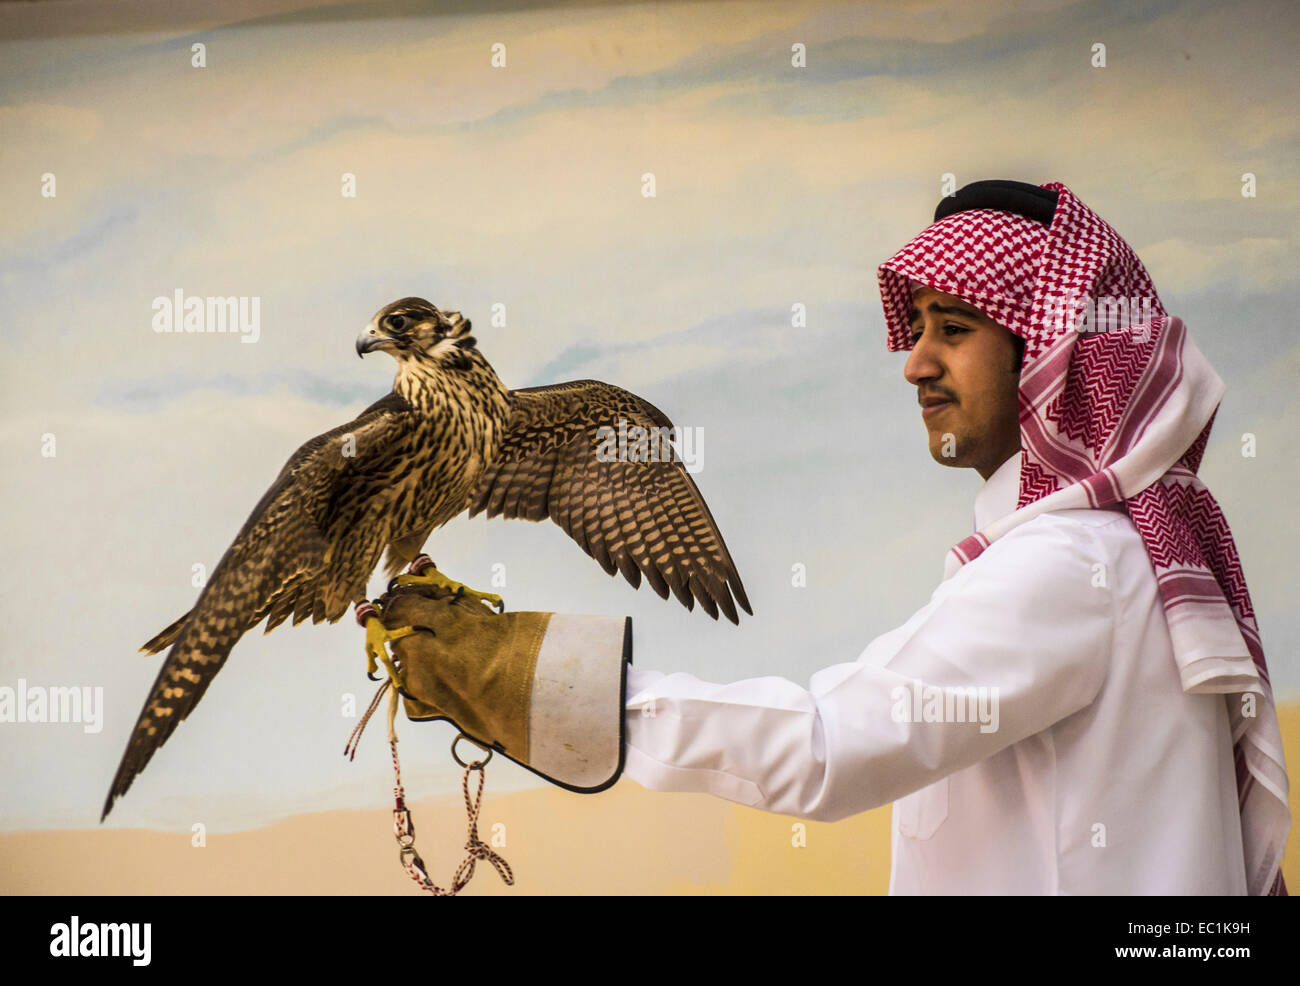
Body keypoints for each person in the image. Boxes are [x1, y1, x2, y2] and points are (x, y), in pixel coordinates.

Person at [379, 179, 1290, 895]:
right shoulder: (1124, 560)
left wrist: (526, 678)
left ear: (1054, 353)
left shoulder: (1074, 567)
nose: (914, 362)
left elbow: (826, 746)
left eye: (955, 329)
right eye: (917, 327)